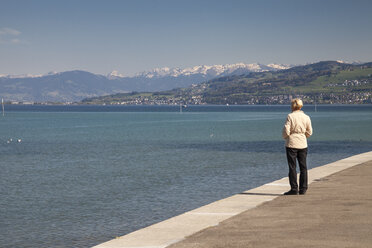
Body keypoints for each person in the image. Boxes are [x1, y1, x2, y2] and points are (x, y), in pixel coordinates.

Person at [282, 98, 313, 195]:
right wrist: (303, 136)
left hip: (292, 143)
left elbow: (286, 131)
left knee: (292, 167)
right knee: (303, 167)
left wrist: (287, 137)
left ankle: (294, 188)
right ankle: (303, 188)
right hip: (303, 143)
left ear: (292, 106)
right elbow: (310, 132)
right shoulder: (306, 117)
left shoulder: (290, 116)